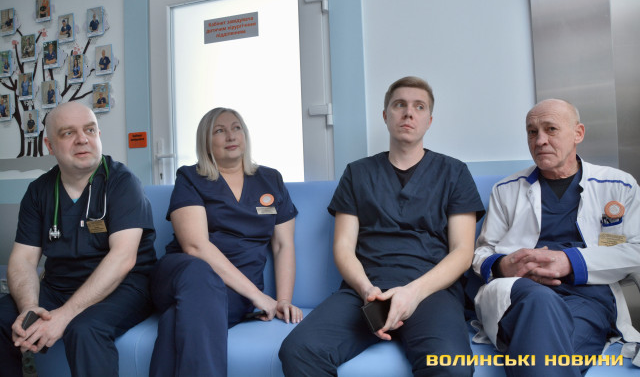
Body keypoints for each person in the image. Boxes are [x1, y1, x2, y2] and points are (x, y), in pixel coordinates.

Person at [279, 76, 485, 376]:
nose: (409, 113)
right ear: (385, 115)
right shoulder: (357, 173)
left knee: (451, 367)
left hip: (431, 292)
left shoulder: (454, 173)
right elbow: (344, 247)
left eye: (419, 106)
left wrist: (412, 293)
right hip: (366, 292)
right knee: (299, 350)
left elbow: (463, 252)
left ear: (429, 120)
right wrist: (367, 291)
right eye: (399, 105)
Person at [473, 99, 640, 376]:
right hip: (521, 291)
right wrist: (502, 265)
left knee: (553, 356)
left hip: (587, 296)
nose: (540, 140)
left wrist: (570, 261)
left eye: (550, 129)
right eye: (532, 132)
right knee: (541, 308)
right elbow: (482, 252)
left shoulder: (619, 185)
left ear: (578, 133)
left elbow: (636, 250)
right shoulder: (506, 189)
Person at [0, 102, 157, 376]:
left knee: (85, 329)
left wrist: (65, 315)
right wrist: (30, 309)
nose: (82, 139)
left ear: (98, 135)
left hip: (123, 287)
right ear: (50, 146)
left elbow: (123, 258)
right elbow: (22, 259)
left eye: (90, 130)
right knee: (3, 317)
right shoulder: (39, 191)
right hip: (59, 286)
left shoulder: (122, 182)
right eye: (68, 133)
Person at [150, 107, 302, 377]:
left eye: (236, 128)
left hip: (234, 289)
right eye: (219, 131)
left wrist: (283, 300)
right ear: (206, 141)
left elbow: (283, 246)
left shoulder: (271, 180)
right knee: (198, 271)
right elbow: (195, 246)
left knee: (175, 319)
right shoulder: (190, 178)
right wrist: (259, 297)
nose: (231, 136)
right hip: (182, 273)